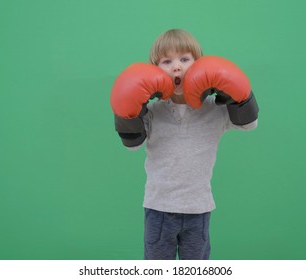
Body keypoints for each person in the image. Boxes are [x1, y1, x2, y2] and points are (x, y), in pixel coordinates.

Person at [110, 29, 259, 260]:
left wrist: (236, 94)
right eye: (167, 61)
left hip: (198, 209)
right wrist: (131, 110)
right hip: (159, 207)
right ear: (154, 70)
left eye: (184, 59)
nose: (176, 66)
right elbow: (132, 145)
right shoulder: (153, 112)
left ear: (199, 64)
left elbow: (250, 124)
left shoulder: (214, 109)